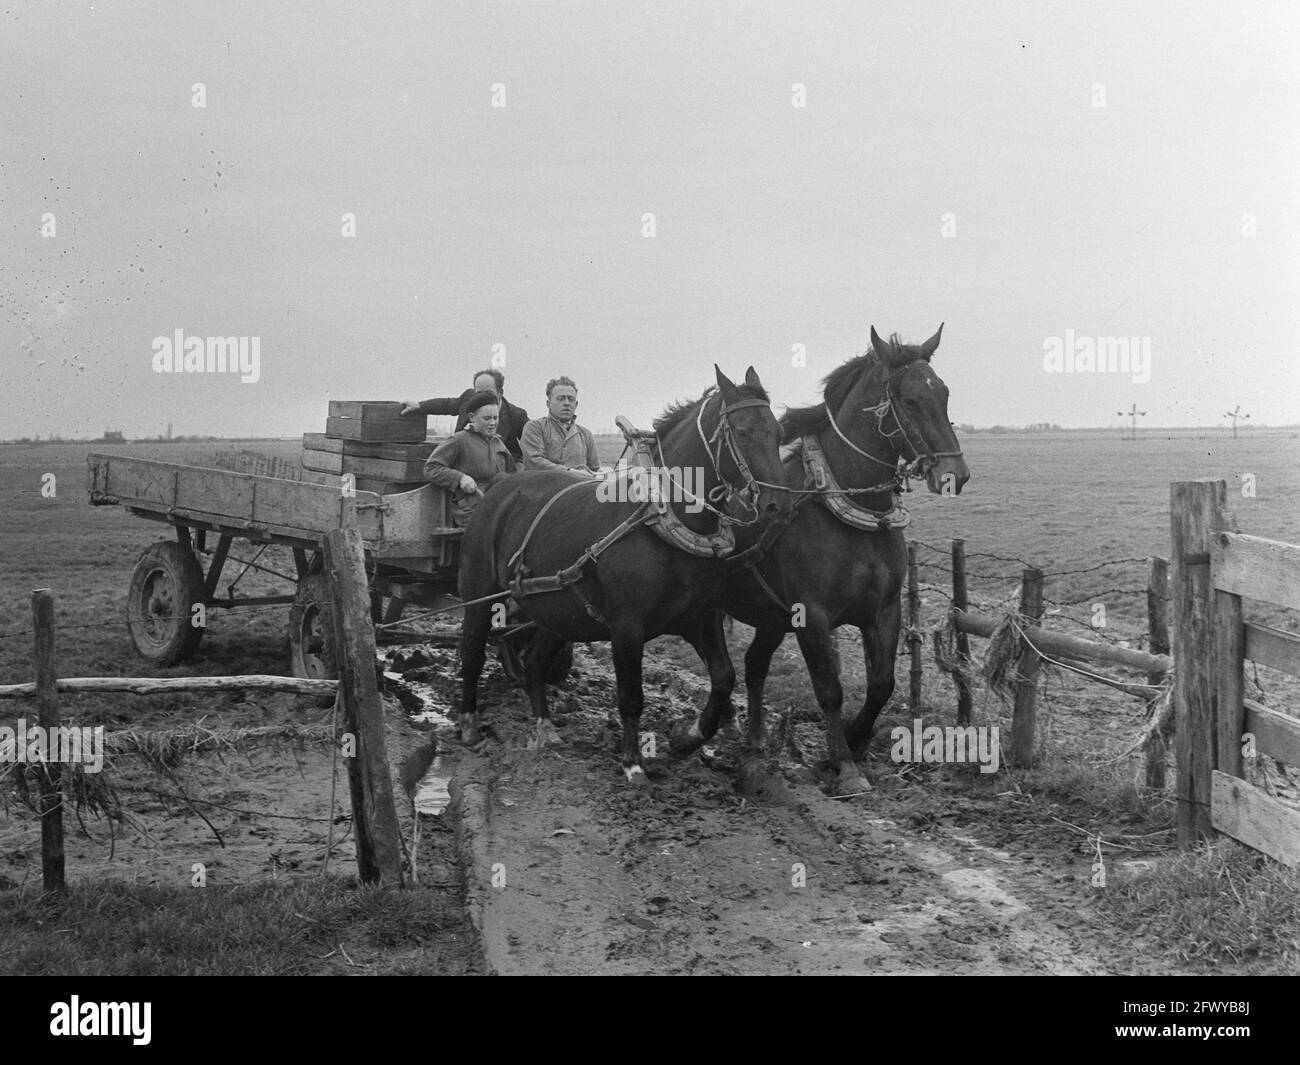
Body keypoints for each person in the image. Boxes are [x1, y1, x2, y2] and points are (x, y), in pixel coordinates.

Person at [423, 390, 517, 526]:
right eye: (487, 418)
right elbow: (431, 468)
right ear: (472, 417)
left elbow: (512, 475)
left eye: (495, 418)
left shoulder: (499, 443)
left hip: (499, 507)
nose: (492, 423)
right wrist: (460, 478)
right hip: (469, 512)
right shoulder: (459, 440)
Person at [402, 368, 530, 462]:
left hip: (500, 472)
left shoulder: (516, 415)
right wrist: (419, 406)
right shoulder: (468, 398)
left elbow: (533, 439)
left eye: (488, 392)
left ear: (500, 392)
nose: (483, 397)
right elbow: (446, 405)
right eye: (479, 392)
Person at [521, 376, 600, 474]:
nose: (566, 403)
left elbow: (595, 469)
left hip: (580, 486)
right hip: (543, 486)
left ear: (576, 404)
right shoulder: (534, 428)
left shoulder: (585, 434)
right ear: (548, 404)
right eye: (560, 399)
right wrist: (569, 472)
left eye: (571, 399)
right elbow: (534, 461)